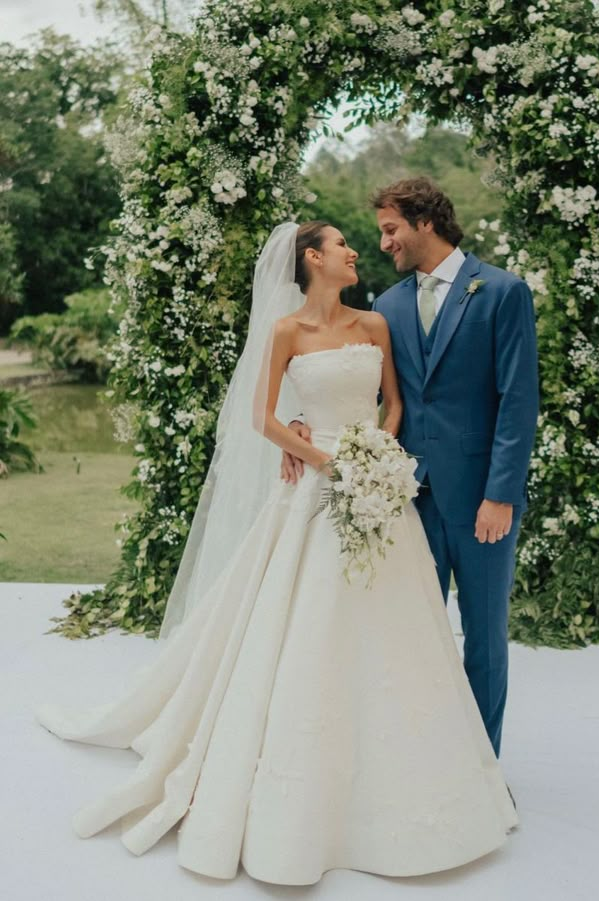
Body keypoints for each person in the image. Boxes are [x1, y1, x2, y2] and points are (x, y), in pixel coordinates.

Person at [36, 220, 518, 887]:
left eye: (366, 239)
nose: (357, 251)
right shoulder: (286, 332)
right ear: (313, 258)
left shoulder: (375, 321)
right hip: (316, 493)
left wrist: (375, 458)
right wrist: (324, 456)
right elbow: (263, 418)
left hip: (376, 489)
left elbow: (396, 405)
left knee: (404, 634)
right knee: (306, 630)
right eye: (345, 244)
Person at [283, 179, 539, 759]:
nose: (382, 243)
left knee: (484, 640)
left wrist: (501, 493)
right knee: (405, 634)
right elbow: (363, 386)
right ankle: (417, 759)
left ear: (425, 222)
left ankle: (481, 770)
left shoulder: (502, 292)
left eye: (390, 229)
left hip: (481, 501)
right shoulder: (388, 305)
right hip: (401, 502)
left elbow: (518, 401)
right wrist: (302, 421)